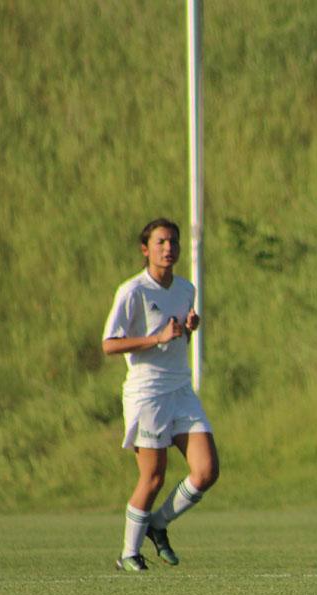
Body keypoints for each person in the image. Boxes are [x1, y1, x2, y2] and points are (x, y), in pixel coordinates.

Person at [102, 218, 219, 571]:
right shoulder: (133, 290)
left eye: (173, 243)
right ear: (145, 249)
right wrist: (157, 338)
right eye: (161, 242)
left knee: (206, 470)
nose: (169, 249)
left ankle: (158, 523)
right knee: (153, 477)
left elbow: (176, 332)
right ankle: (128, 553)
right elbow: (110, 344)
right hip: (148, 392)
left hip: (180, 389)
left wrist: (188, 329)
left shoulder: (186, 289)